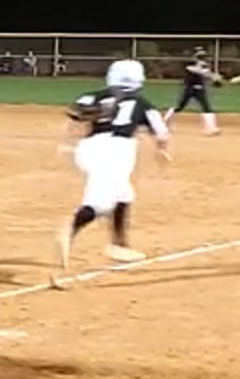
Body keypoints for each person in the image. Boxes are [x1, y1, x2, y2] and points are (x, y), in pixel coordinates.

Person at [55, 59, 171, 285]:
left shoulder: (93, 96)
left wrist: (65, 143)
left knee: (124, 194)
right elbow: (162, 133)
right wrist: (162, 151)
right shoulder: (143, 104)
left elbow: (75, 117)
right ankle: (70, 229)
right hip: (117, 152)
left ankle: (118, 244)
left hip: (87, 149)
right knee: (101, 203)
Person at [165, 48, 222, 135]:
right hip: (189, 88)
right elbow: (198, 71)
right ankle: (165, 122)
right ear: (194, 56)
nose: (201, 58)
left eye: (202, 56)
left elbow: (206, 73)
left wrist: (216, 78)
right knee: (179, 107)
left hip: (200, 89)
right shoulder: (189, 64)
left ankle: (211, 128)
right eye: (199, 56)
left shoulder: (204, 65)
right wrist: (212, 75)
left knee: (206, 107)